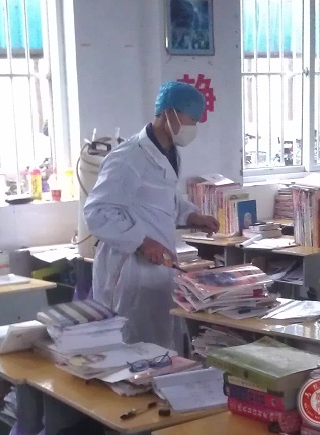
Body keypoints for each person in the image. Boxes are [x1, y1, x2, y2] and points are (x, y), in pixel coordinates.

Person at [83, 81, 219, 353]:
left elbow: (163, 198)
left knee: (159, 346)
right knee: (130, 347)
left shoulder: (169, 153)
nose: (194, 127)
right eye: (191, 119)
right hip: (128, 270)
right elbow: (97, 211)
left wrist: (192, 216)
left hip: (159, 268)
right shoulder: (128, 157)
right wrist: (142, 242)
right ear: (168, 113)